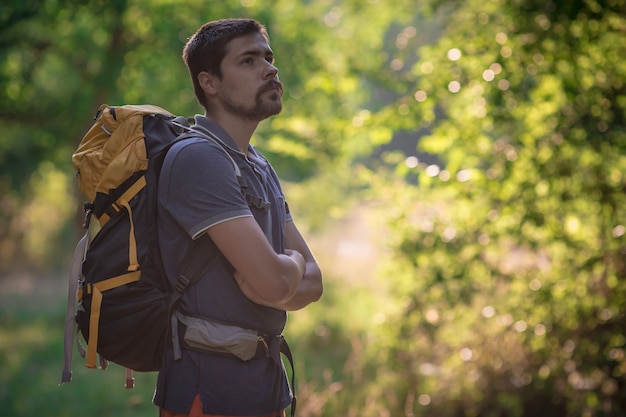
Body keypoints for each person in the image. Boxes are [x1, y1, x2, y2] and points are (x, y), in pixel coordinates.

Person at [153, 18, 323, 417]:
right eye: (248, 61)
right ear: (209, 82)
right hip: (209, 389)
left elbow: (313, 284)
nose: (270, 69)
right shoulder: (199, 158)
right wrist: (289, 270)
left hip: (263, 384)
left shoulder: (258, 165)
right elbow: (278, 280)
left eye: (268, 57)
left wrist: (288, 272)